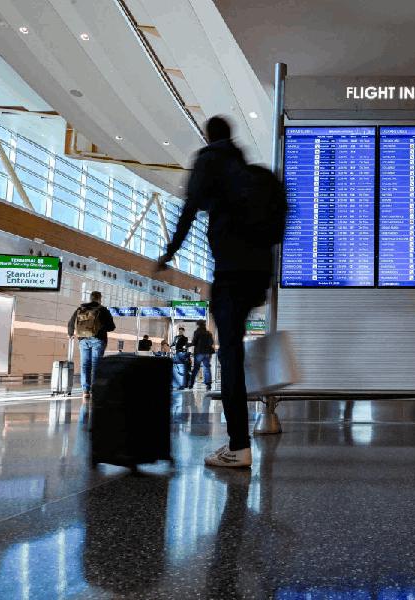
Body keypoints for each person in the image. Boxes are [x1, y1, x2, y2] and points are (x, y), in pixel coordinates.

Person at [157, 115, 282, 468]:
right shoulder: (255, 174)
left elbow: (189, 210)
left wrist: (170, 252)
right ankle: (240, 440)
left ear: (208, 135)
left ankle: (238, 446)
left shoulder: (210, 161)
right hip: (258, 274)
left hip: (230, 272)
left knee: (229, 356)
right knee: (234, 353)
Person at [67, 291, 116, 401]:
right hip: (98, 339)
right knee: (96, 365)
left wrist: (70, 334)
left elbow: (71, 323)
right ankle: (95, 389)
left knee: (85, 365)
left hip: (83, 340)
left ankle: (85, 391)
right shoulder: (102, 310)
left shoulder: (80, 309)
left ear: (90, 298)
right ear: (99, 299)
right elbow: (111, 327)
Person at [189, 320, 216, 391]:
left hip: (199, 353)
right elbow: (212, 342)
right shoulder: (209, 333)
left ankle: (191, 383)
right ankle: (208, 384)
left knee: (196, 368)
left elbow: (194, 342)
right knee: (206, 367)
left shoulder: (197, 332)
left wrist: (188, 345)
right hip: (207, 353)